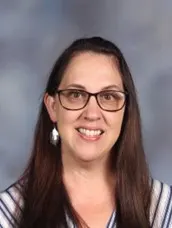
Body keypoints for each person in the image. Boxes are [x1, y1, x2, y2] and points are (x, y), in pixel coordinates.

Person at [0, 37, 172, 228]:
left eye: (108, 96)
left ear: (126, 110)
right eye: (76, 95)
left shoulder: (164, 209)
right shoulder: (9, 215)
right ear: (53, 107)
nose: (91, 114)